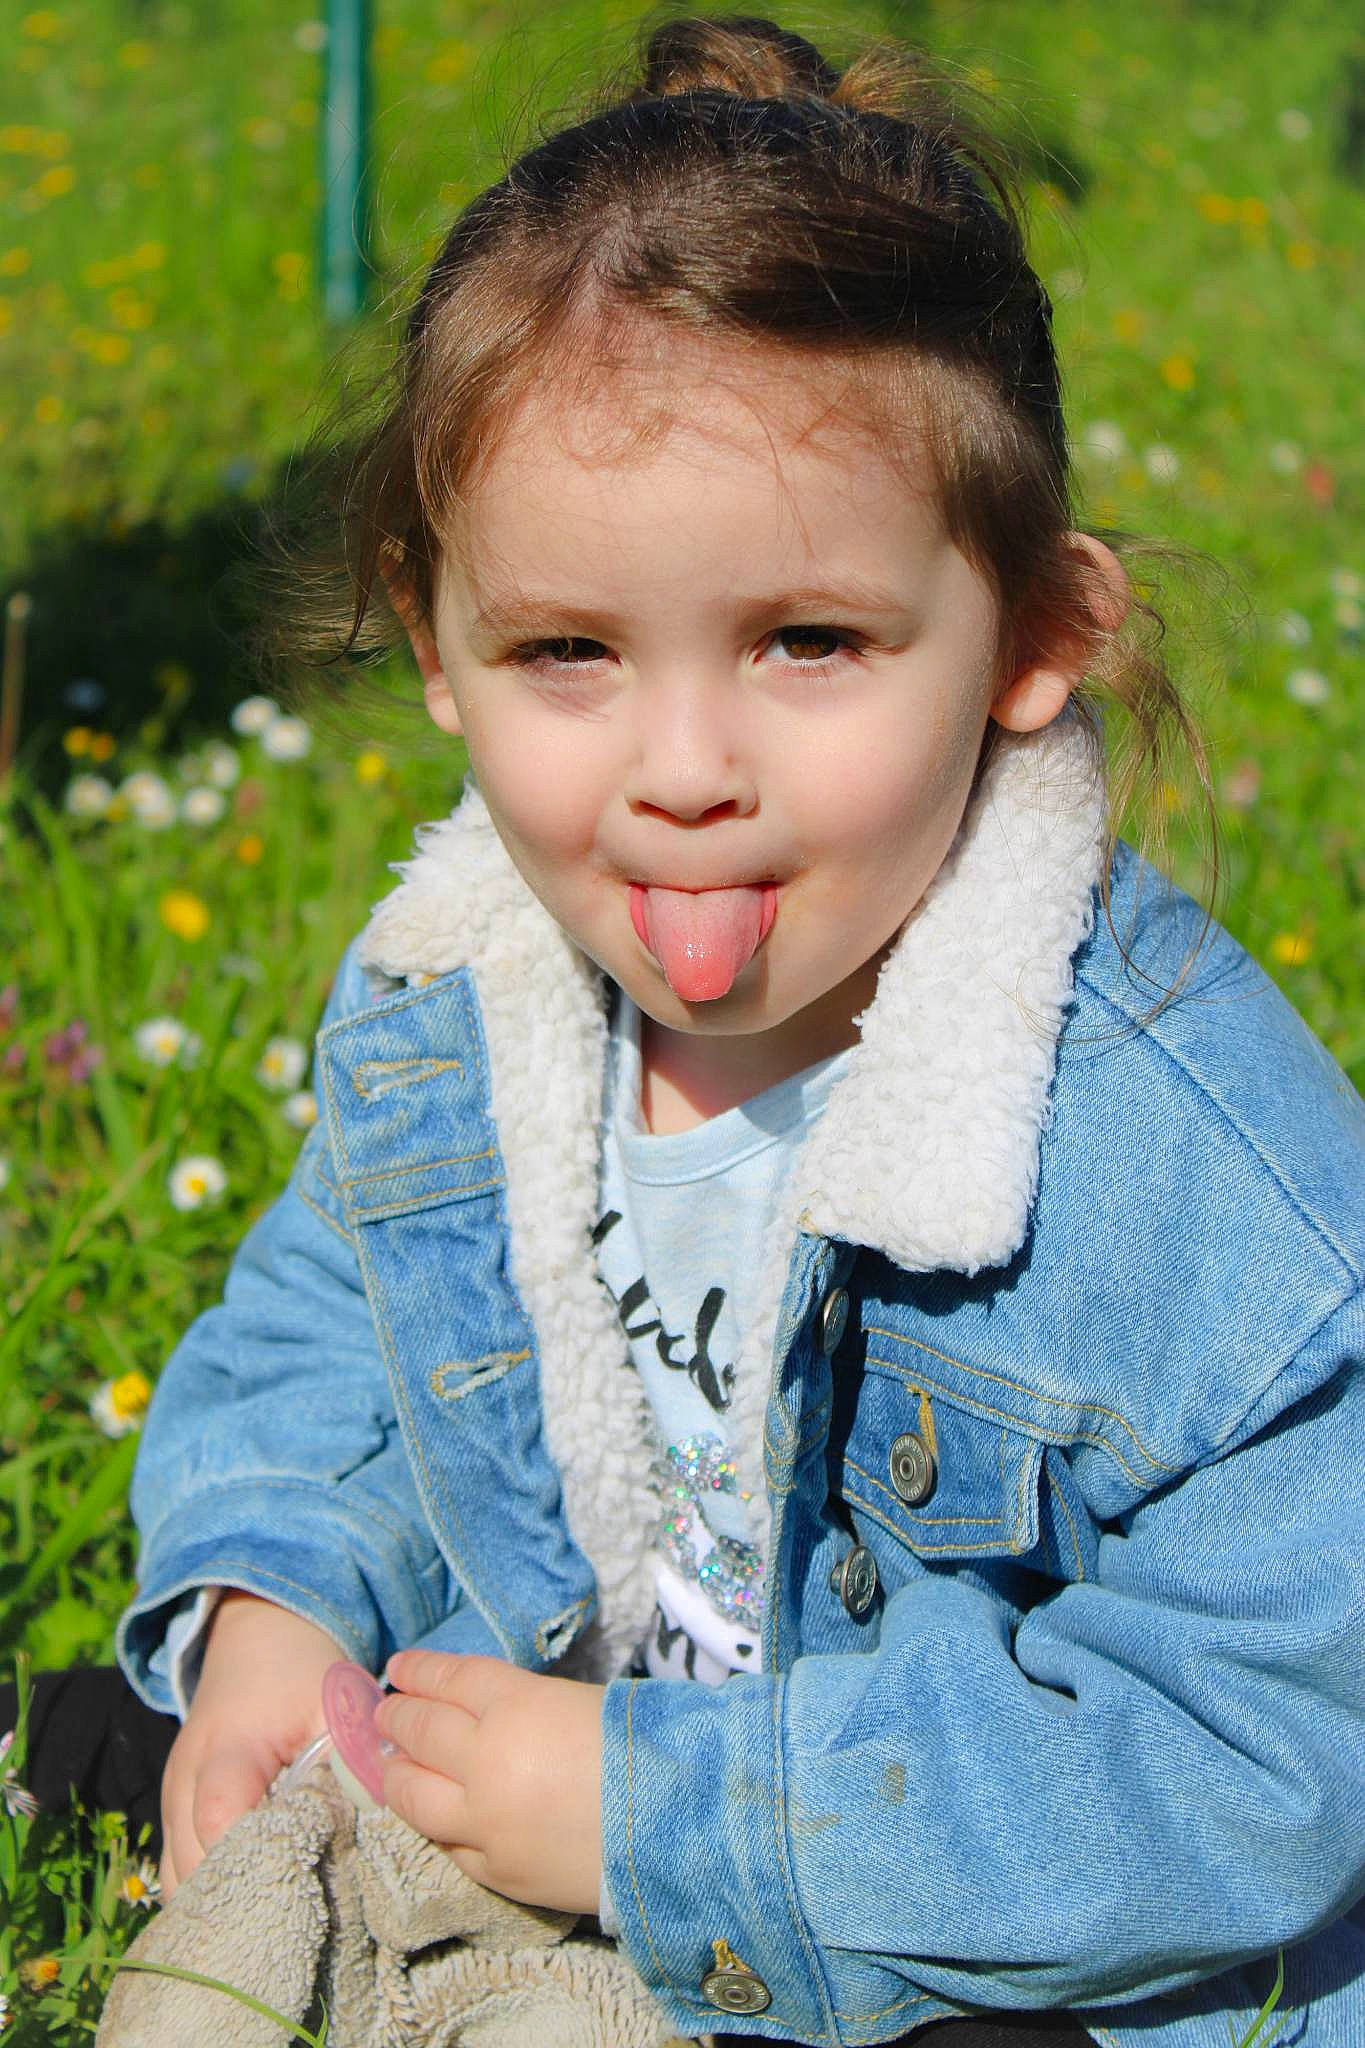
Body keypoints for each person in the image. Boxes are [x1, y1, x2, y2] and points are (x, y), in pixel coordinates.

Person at [10, 14, 1364, 2046]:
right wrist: (273, 1612)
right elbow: (335, 1332)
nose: (680, 770)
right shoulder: (454, 991)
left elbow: (1258, 1756)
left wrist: (648, 1812)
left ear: (1029, 638)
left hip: (959, 1915)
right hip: (562, 1732)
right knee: (125, 1732)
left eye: (805, 641)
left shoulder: (1190, 1177)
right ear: (439, 639)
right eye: (566, 651)